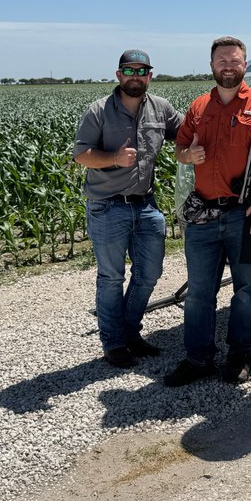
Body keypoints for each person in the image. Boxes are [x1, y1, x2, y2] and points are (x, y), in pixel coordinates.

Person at [164, 36, 251, 386]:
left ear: (244, 65)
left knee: (247, 289)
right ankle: (198, 358)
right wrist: (188, 156)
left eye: (234, 61)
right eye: (222, 61)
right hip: (203, 216)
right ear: (212, 66)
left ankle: (239, 355)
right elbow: (180, 149)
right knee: (200, 293)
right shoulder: (199, 106)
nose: (228, 67)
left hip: (246, 215)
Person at [73, 49, 183, 368]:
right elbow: (82, 155)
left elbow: (187, 133)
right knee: (111, 278)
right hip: (107, 207)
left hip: (145, 205)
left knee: (149, 273)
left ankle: (130, 332)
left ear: (150, 76)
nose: (136, 77)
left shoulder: (161, 108)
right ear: (119, 75)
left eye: (142, 71)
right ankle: (114, 343)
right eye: (129, 71)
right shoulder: (99, 111)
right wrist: (114, 159)